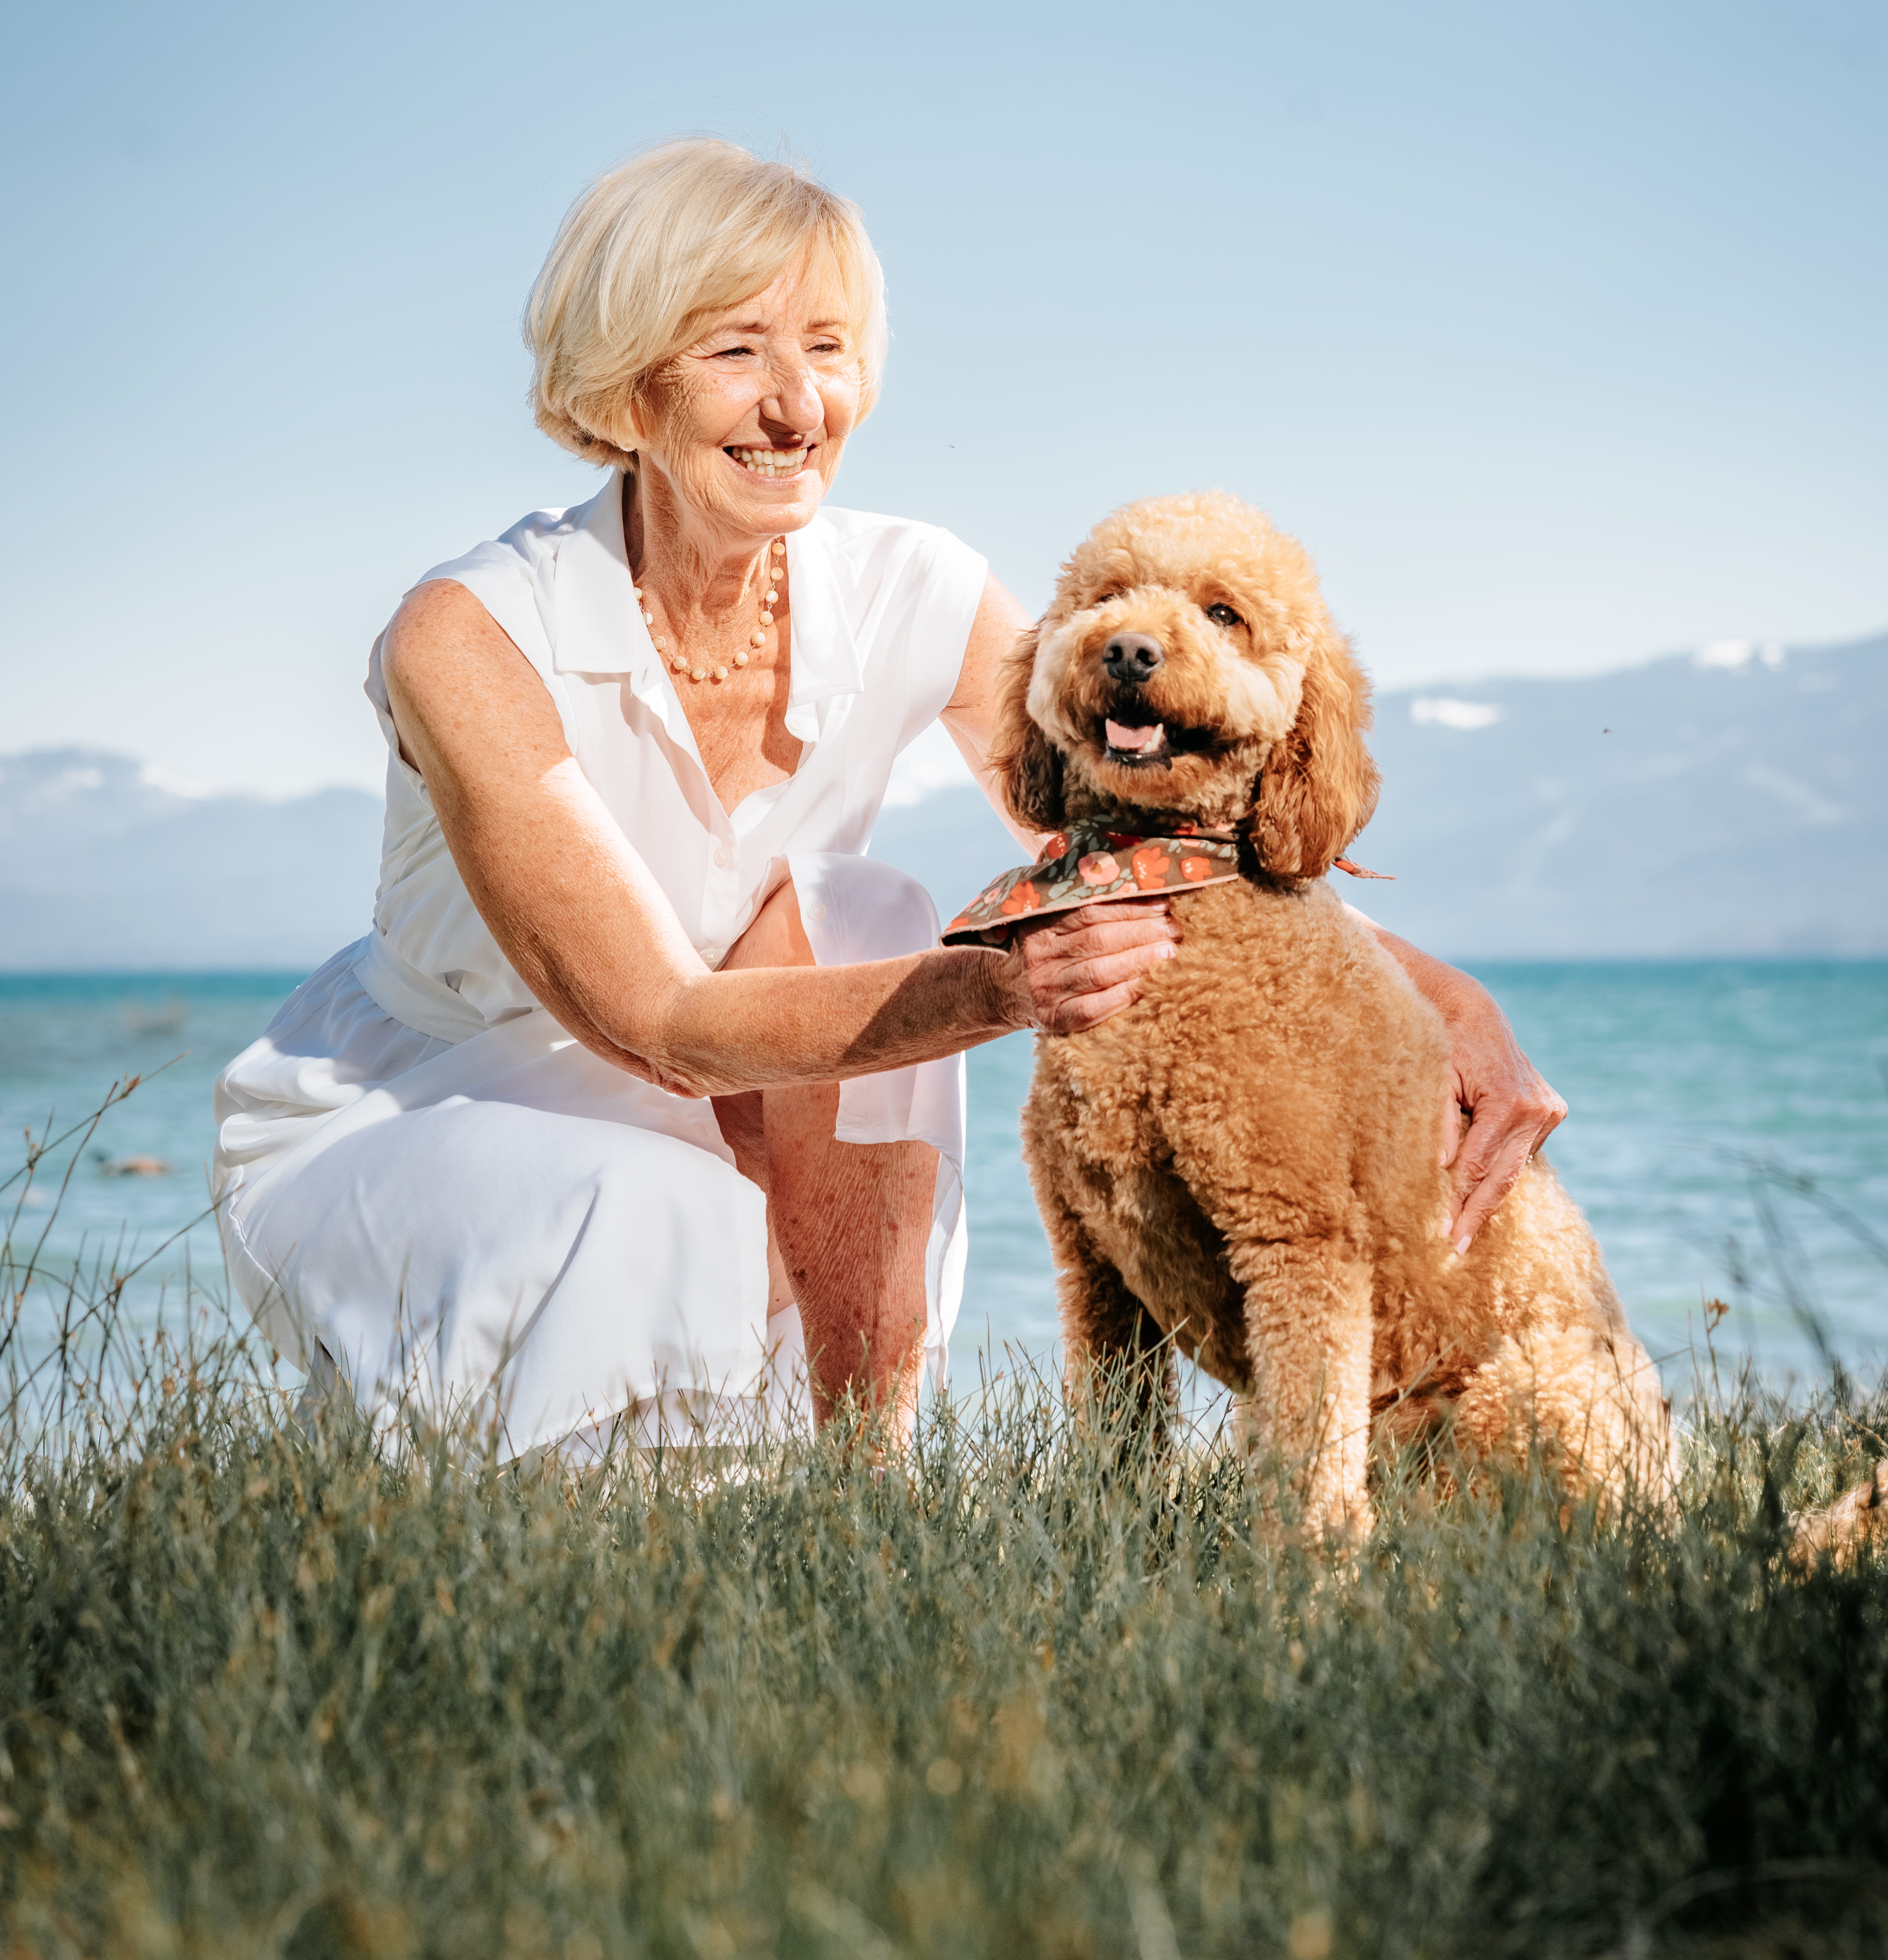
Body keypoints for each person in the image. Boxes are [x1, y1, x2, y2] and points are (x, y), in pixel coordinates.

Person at [214, 139, 1564, 1460]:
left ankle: (870, 1465)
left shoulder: (910, 582)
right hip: (448, 1091)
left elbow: (1141, 835)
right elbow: (658, 1021)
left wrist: (1444, 998)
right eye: (737, 350)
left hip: (758, 1088)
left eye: (829, 347)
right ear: (624, 389)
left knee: (862, 905)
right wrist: (1003, 985)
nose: (800, 405)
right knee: (654, 1203)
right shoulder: (467, 636)